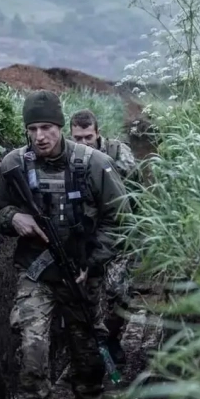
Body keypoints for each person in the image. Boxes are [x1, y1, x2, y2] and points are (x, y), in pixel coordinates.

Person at [0, 90, 129, 399]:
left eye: (46, 127)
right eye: (32, 129)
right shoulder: (14, 164)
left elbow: (122, 220)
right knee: (33, 346)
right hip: (36, 272)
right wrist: (14, 219)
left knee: (87, 353)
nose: (39, 136)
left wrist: (92, 260)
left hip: (82, 276)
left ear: (61, 126)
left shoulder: (95, 164)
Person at [69, 108, 137, 366]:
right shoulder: (69, 159)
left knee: (119, 293)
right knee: (90, 296)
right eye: (78, 138)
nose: (84, 143)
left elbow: (128, 183)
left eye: (88, 137)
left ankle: (112, 338)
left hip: (120, 232)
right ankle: (92, 346)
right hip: (89, 238)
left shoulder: (118, 152)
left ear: (98, 134)